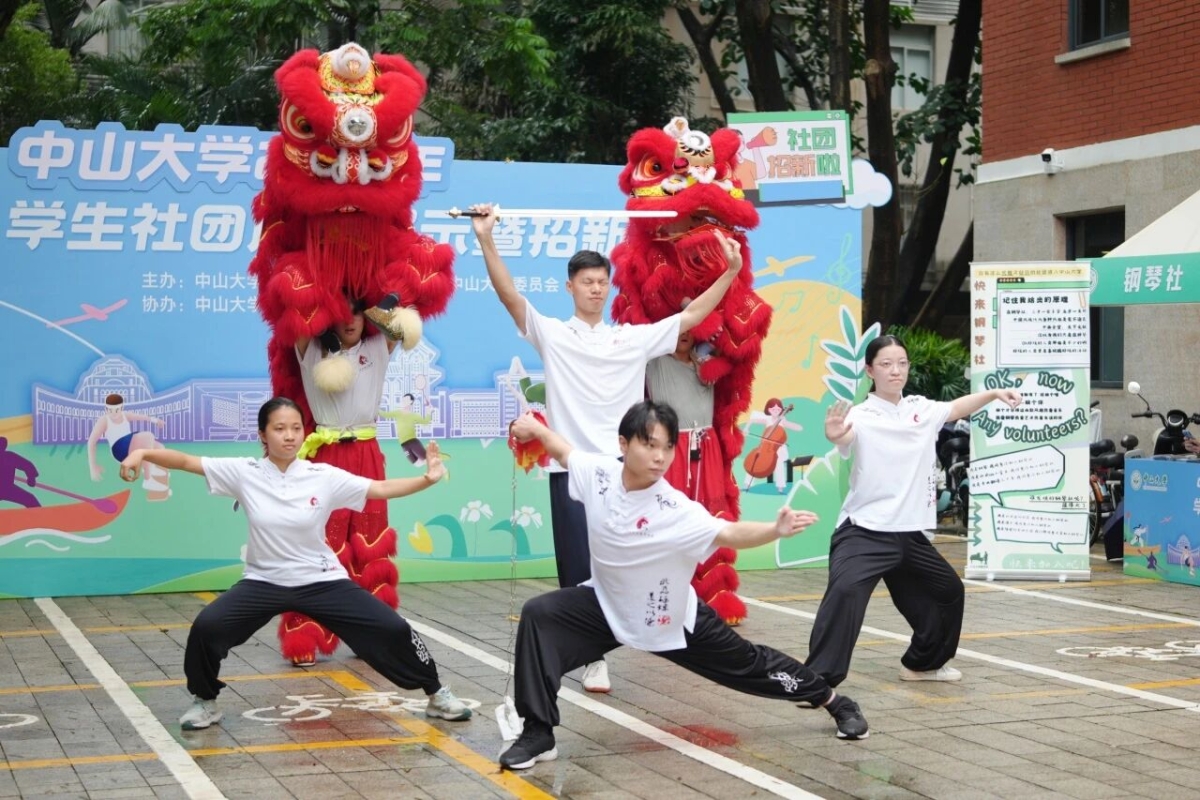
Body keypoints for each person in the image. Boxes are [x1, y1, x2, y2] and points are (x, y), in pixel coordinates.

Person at [498, 401, 868, 770]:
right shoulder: (599, 475)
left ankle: (834, 701)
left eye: (668, 447)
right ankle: (538, 733)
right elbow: (564, 452)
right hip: (607, 606)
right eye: (650, 445)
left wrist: (775, 530)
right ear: (624, 444)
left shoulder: (674, 508)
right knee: (540, 615)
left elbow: (729, 532)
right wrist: (536, 429)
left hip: (669, 617)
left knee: (751, 665)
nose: (660, 457)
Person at [471, 202, 742, 693]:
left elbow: (691, 316)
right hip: (573, 470)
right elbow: (510, 295)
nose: (595, 289)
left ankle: (663, 632)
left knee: (637, 563)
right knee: (578, 570)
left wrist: (729, 273)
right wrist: (486, 238)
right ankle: (591, 656)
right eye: (586, 282)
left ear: (608, 286)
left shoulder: (631, 339)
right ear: (570, 287)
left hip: (626, 473)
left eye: (601, 282)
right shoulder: (553, 335)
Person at [118, 397, 472, 730]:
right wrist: (142, 453)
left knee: (393, 628)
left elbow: (378, 489)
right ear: (262, 435)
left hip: (321, 580)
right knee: (206, 628)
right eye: (279, 428)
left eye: (296, 428)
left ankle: (436, 693)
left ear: (304, 433)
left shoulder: (322, 475)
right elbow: (185, 462)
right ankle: (204, 701)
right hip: (263, 582)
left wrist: (427, 479)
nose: (289, 435)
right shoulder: (244, 472)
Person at [806, 334, 1022, 689]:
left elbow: (956, 407)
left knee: (948, 592)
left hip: (910, 534)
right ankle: (816, 680)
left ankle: (923, 664)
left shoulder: (921, 408)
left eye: (902, 363)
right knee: (845, 593)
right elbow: (845, 437)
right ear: (870, 370)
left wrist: (994, 394)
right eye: (886, 364)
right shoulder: (859, 415)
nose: (896, 371)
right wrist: (834, 435)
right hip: (865, 530)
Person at [282, 298, 401, 667]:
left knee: (370, 545)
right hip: (326, 454)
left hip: (367, 453)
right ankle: (305, 634)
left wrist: (373, 302)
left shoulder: (379, 345)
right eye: (342, 313)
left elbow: (399, 325)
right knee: (320, 543)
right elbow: (295, 309)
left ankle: (372, 635)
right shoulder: (311, 348)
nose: (350, 321)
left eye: (357, 313)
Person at [645, 329, 746, 624]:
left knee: (713, 518)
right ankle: (668, 600)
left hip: (707, 448)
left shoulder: (710, 362)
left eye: (692, 327)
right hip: (670, 448)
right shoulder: (655, 361)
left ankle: (716, 596)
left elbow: (738, 348)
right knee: (669, 519)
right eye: (679, 327)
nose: (684, 333)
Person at [87, 393, 170, 500]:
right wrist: (92, 467)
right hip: (119, 450)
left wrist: (156, 421)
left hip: (129, 442)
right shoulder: (104, 420)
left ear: (122, 408)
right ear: (106, 409)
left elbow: (142, 417)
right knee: (148, 436)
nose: (113, 413)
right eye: (110, 410)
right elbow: (91, 442)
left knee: (159, 447)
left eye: (117, 410)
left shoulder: (125, 415)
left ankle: (149, 467)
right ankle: (148, 480)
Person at [742, 398, 802, 493]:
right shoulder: (767, 419)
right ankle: (747, 484)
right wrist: (746, 428)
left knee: (779, 465)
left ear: (781, 410)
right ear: (768, 409)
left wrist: (785, 422)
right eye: (773, 409)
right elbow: (752, 420)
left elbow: (799, 428)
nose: (776, 411)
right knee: (754, 461)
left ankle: (780, 486)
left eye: (778, 409)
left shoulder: (782, 420)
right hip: (764, 447)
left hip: (778, 449)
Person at [380, 393, 433, 467]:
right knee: (417, 464)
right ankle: (432, 457)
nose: (403, 401)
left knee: (426, 460)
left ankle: (438, 465)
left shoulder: (414, 415)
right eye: (403, 399)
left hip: (413, 441)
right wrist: (375, 408)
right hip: (403, 444)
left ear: (411, 401)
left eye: (406, 399)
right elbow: (385, 414)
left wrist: (429, 412)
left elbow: (425, 422)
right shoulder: (397, 413)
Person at [0, 437, 39, 508]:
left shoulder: (9, 457)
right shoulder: (9, 457)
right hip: (7, 488)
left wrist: (31, 477)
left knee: (30, 499)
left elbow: (27, 465)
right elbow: (27, 465)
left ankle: (39, 514)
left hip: (7, 488)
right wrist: (31, 478)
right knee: (30, 499)